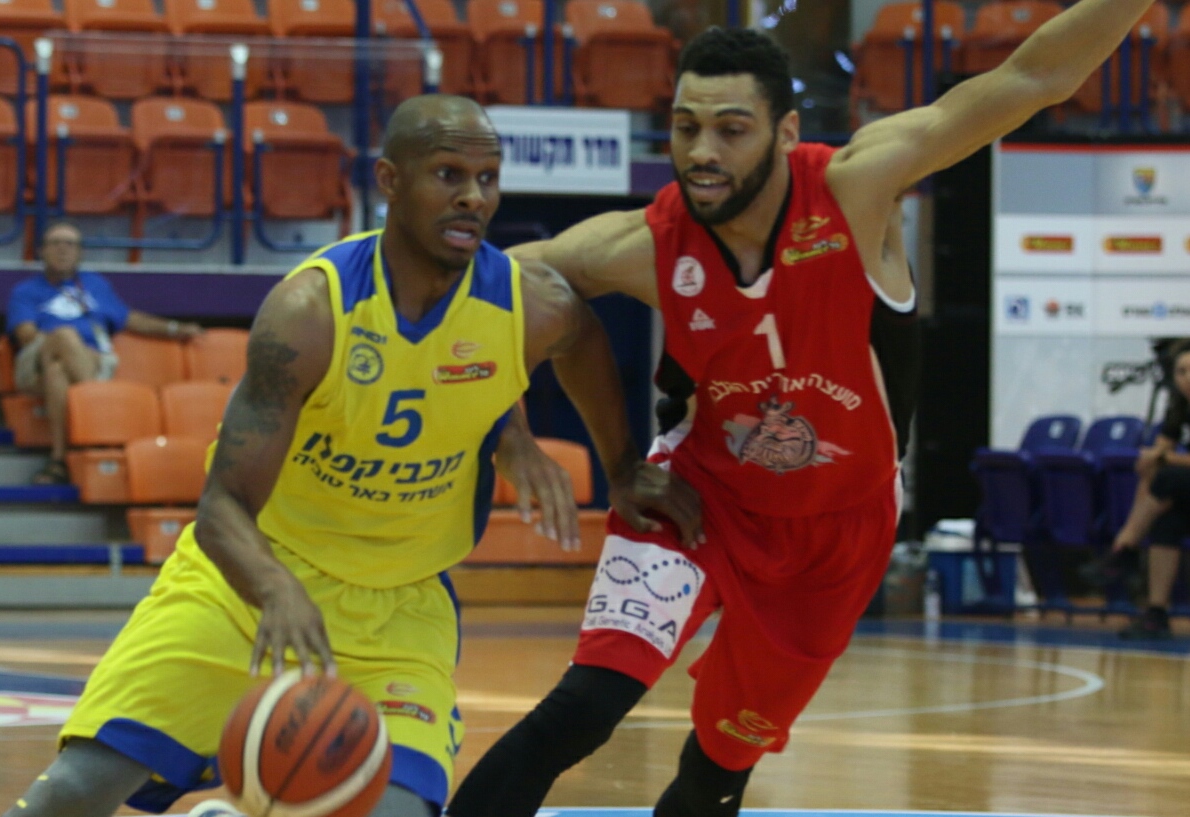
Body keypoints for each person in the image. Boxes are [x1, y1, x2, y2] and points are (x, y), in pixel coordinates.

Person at [446, 6, 1163, 817]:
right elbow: (486, 289)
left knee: (715, 772)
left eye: (731, 129)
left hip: (837, 537)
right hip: (700, 500)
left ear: (786, 132)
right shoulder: (647, 245)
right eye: (685, 127)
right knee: (581, 709)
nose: (702, 151)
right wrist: (513, 432)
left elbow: (1034, 76)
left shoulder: (859, 189)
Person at [1, 95, 697, 817]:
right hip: (245, 587)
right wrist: (275, 589)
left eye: (488, 178)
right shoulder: (311, 311)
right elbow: (221, 508)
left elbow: (581, 340)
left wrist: (614, 464)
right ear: (390, 180)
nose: (473, 196)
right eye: (449, 174)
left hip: (398, 613)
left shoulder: (530, 303)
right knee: (69, 796)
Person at [6, 221, 204, 485]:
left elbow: (129, 318)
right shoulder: (26, 291)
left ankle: (59, 460)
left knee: (57, 373)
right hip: (35, 363)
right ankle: (99, 412)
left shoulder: (95, 284)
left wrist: (174, 328)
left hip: (93, 360)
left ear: (80, 252)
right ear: (41, 251)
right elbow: (26, 335)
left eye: (70, 244)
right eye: (55, 243)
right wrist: (67, 344)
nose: (63, 249)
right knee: (64, 337)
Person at [1111, 339, 1190, 640]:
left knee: (1169, 476)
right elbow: (1154, 461)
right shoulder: (1179, 407)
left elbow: (1165, 458)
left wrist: (1162, 458)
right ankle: (1156, 613)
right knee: (1167, 520)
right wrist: (1151, 462)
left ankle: (1125, 547)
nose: (1186, 378)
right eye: (1180, 371)